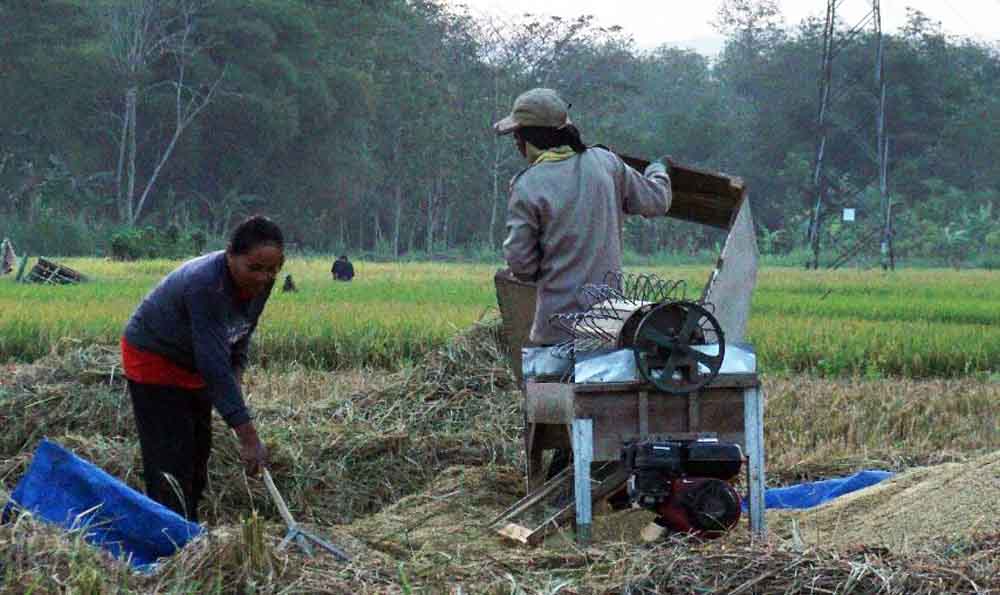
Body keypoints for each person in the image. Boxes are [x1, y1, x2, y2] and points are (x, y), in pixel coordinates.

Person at [120, 215, 283, 522]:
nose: (263, 277)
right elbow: (213, 364)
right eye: (254, 268)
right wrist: (248, 437)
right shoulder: (206, 284)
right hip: (155, 358)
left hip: (193, 360)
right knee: (171, 461)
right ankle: (168, 535)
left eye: (272, 269)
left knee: (198, 455)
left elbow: (240, 334)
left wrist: (234, 387)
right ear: (230, 255)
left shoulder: (262, 283)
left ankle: (187, 525)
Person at [495, 87, 673, 347]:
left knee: (555, 374)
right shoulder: (606, 163)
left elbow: (521, 265)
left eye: (517, 136)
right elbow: (657, 200)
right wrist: (658, 169)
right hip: (609, 326)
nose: (516, 143)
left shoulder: (527, 185)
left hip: (557, 331)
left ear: (529, 139)